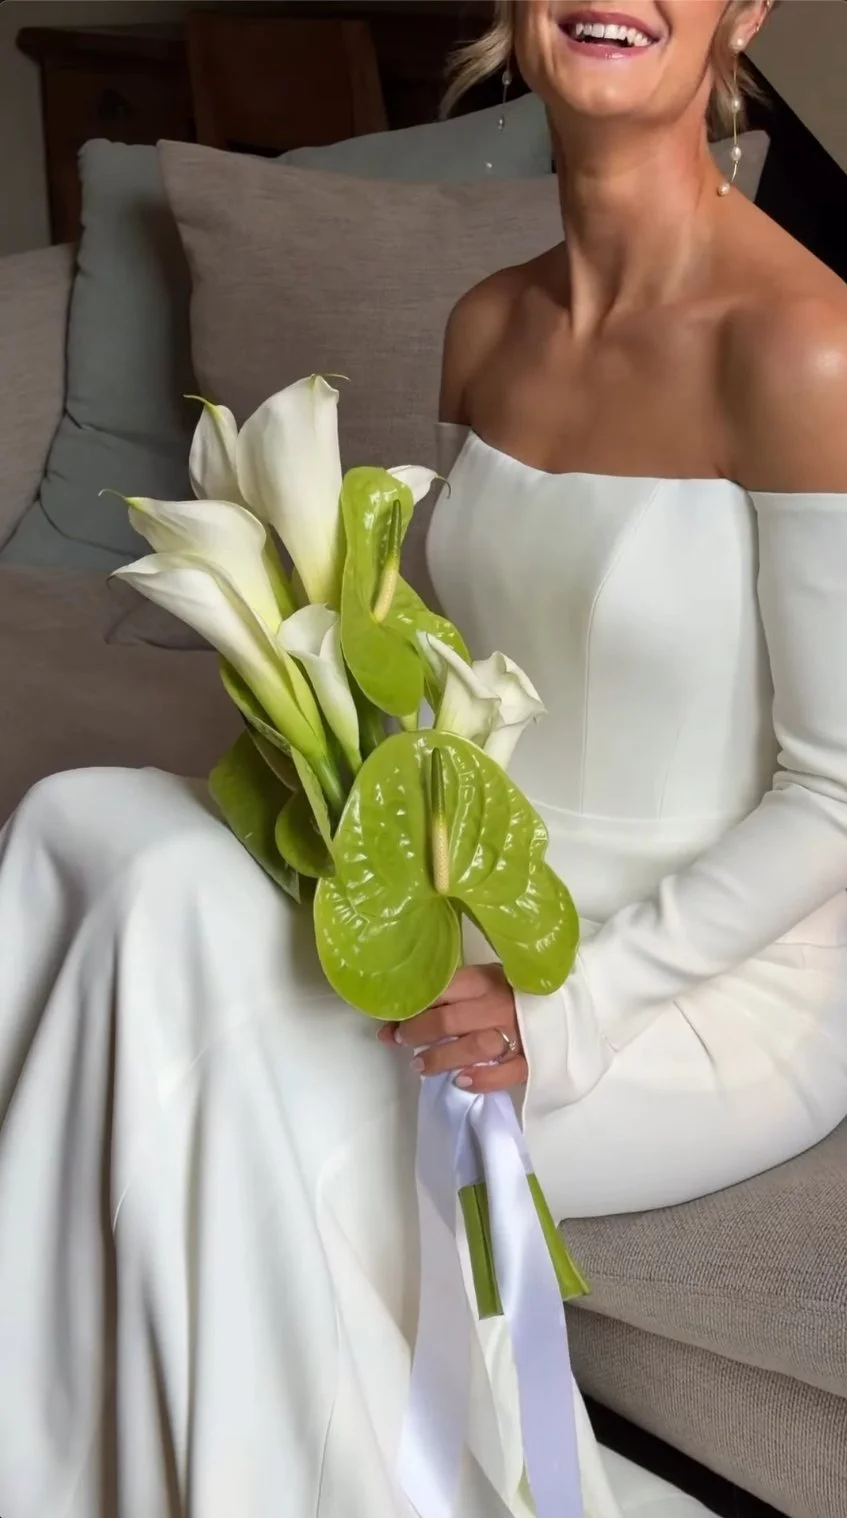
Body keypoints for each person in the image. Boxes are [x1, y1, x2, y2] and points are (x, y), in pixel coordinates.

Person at [1, 1, 847, 1514]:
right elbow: (471, 669)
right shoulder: (487, 321)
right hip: (487, 892)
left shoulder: (802, 344)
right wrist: (369, 850)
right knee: (92, 832)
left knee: (244, 1094)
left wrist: (567, 1009)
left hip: (715, 980)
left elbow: (835, 793)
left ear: (742, 9)